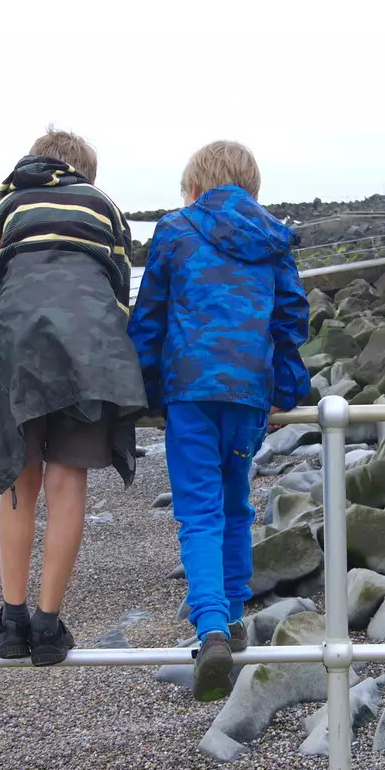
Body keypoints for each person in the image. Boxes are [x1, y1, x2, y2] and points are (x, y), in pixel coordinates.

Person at [0, 129, 147, 665]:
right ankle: (49, 623)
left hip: (16, 346)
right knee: (67, 482)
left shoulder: (7, 206)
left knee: (18, 479)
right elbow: (118, 296)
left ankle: (11, 622)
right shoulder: (106, 207)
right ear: (86, 170)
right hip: (89, 351)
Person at [128, 141, 310, 701]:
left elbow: (150, 316)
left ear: (195, 184)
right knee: (237, 504)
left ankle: (210, 627)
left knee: (199, 514)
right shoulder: (272, 238)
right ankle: (231, 619)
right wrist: (286, 390)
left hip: (190, 391)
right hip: (249, 392)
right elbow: (291, 317)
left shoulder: (176, 230)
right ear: (250, 186)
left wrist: (146, 391)